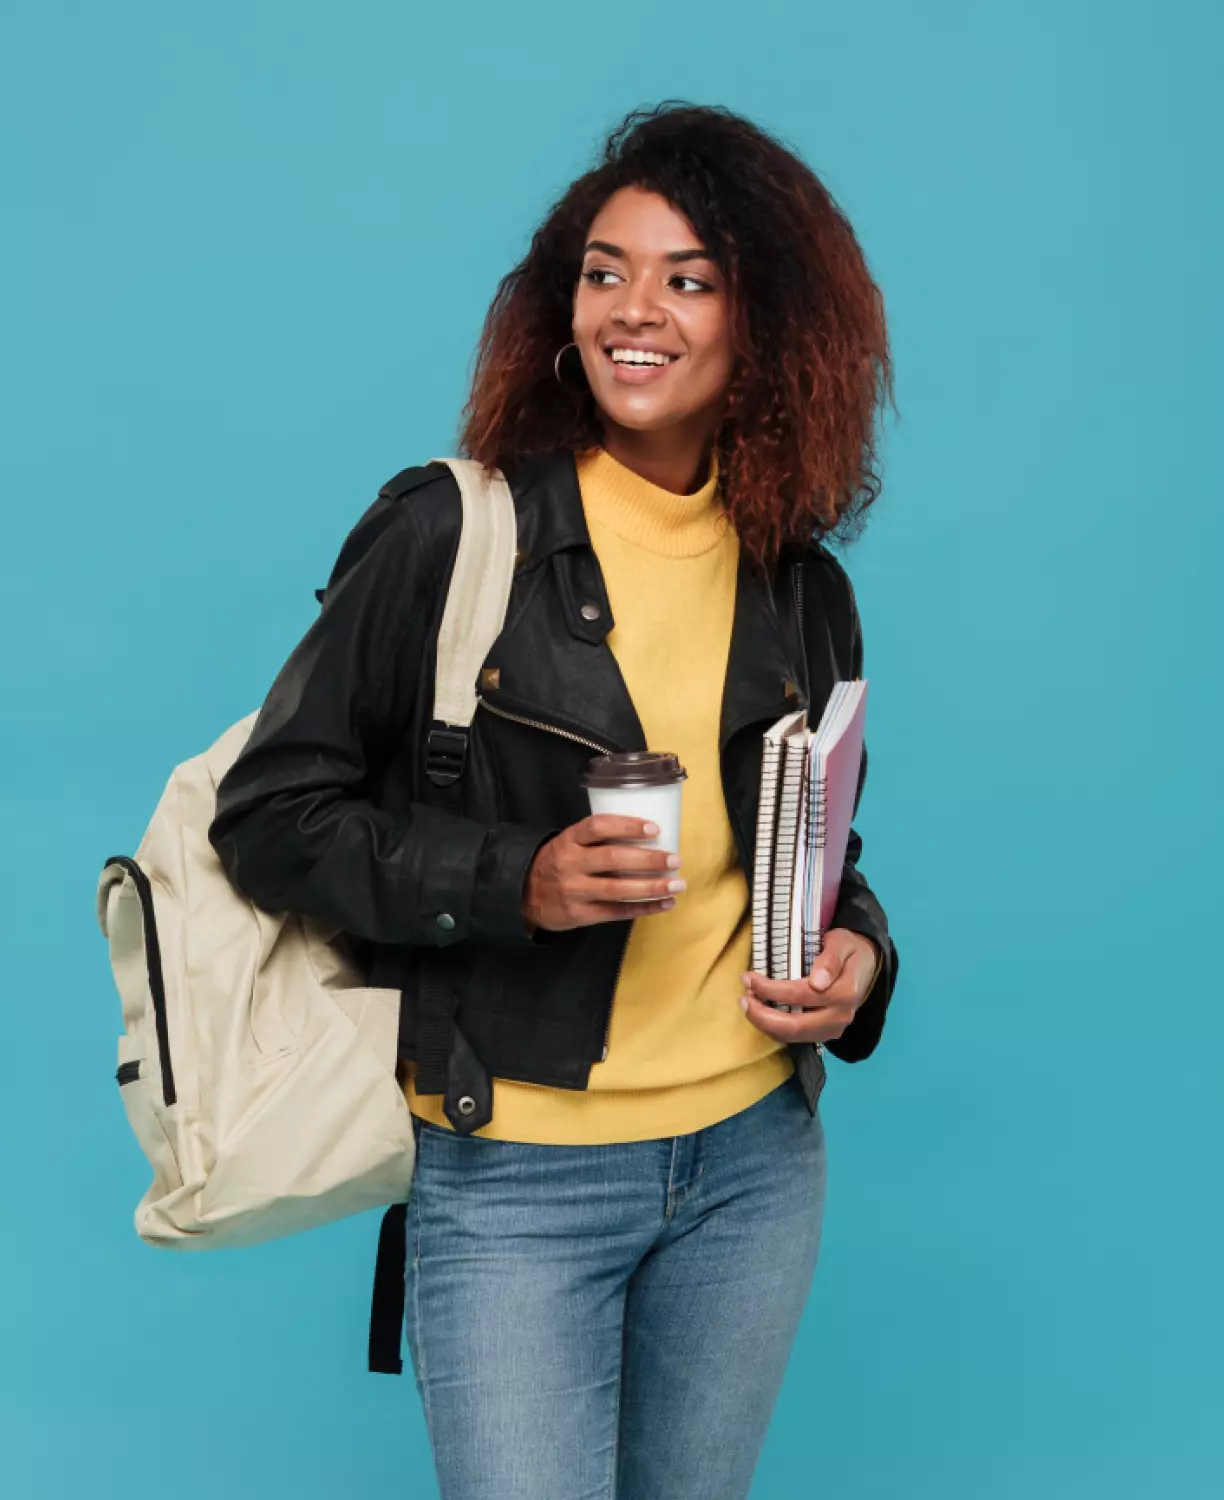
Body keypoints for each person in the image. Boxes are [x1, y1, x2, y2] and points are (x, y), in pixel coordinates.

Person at [208, 101, 899, 1500]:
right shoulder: (454, 533)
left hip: (755, 1160)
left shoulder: (802, 584)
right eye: (604, 271)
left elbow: (821, 850)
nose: (633, 311)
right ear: (559, 302)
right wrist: (513, 879)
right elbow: (268, 813)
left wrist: (862, 962)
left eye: (687, 279)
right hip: (521, 1173)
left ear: (766, 327)